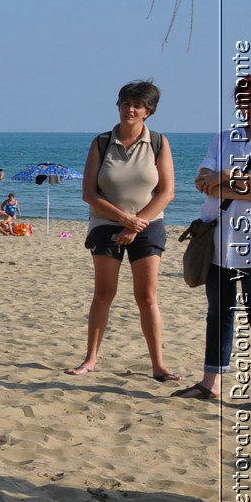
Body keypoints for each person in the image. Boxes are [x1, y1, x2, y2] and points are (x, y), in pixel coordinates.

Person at [66, 81, 180, 381]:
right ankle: (90, 359)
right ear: (118, 105)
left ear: (148, 111)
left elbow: (167, 192)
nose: (129, 109)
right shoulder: (102, 142)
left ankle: (159, 365)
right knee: (104, 292)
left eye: (137, 105)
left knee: (147, 296)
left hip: (148, 225)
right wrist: (123, 219)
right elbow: (89, 193)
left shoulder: (158, 142)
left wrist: (137, 223)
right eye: (125, 103)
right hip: (106, 224)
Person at [175, 72, 251, 402]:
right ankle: (211, 382)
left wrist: (223, 177)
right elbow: (200, 180)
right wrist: (242, 183)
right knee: (218, 312)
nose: (250, 104)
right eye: (245, 97)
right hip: (218, 239)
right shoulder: (223, 139)